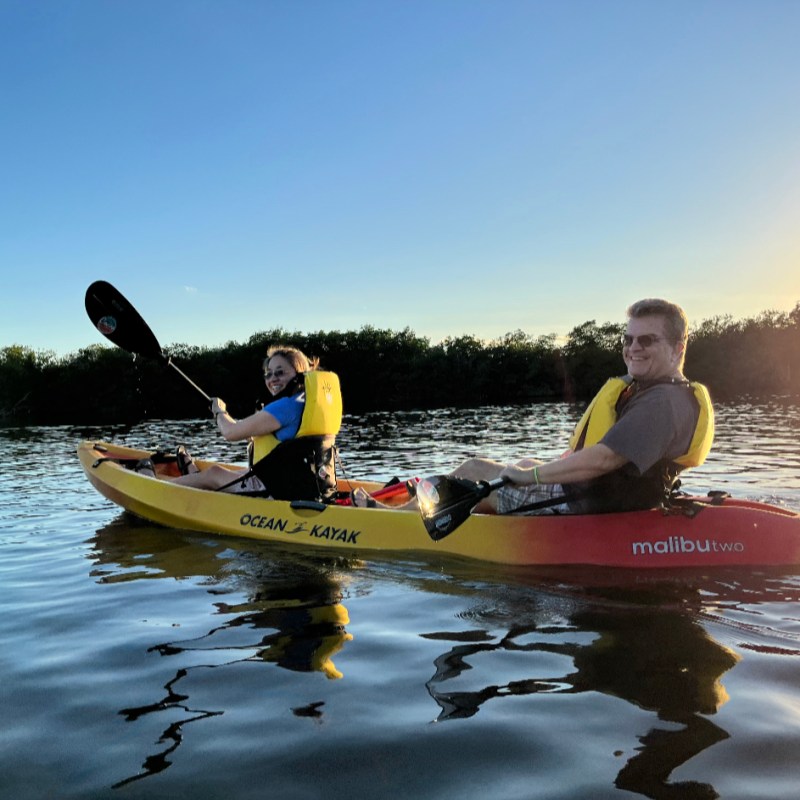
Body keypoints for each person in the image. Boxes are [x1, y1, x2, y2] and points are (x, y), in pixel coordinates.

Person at [356, 298, 713, 514]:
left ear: (678, 347)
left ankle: (387, 518)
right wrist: (532, 469)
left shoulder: (661, 402)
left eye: (647, 339)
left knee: (471, 471)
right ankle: (399, 508)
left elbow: (605, 458)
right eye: (628, 338)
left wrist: (531, 477)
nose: (633, 347)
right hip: (603, 497)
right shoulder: (664, 392)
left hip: (586, 508)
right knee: (519, 463)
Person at [169, 345, 341, 501]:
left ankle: (157, 489)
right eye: (269, 373)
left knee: (214, 474)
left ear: (300, 374)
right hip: (307, 485)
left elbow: (230, 432)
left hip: (277, 490)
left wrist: (219, 411)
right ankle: (193, 479)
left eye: (280, 372)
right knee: (227, 473)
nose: (273, 378)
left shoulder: (284, 407)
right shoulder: (305, 403)